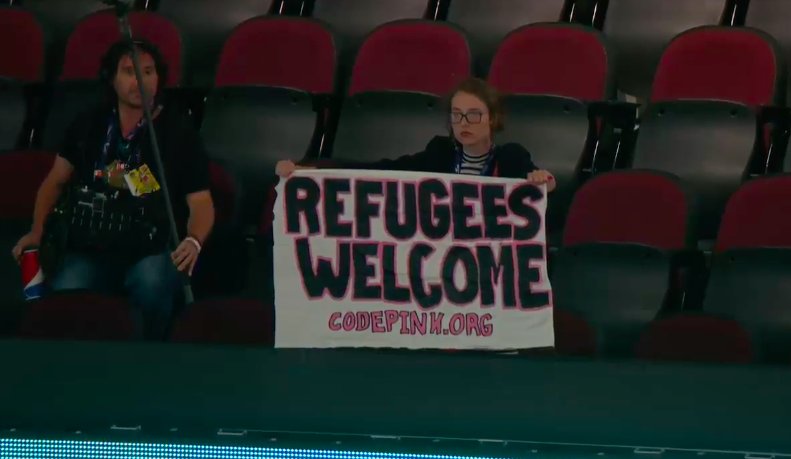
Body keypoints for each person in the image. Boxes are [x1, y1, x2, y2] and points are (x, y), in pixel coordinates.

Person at [10, 40, 215, 340]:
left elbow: (201, 203)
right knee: (67, 287)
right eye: (130, 72)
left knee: (152, 282)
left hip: (150, 248)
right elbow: (55, 181)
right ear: (111, 78)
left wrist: (194, 240)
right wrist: (37, 230)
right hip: (91, 245)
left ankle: (150, 352)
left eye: (148, 72)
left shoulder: (179, 131)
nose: (140, 81)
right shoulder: (89, 123)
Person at [275, 77, 556, 189]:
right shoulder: (439, 153)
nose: (464, 123)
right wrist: (310, 170)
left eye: (473, 115)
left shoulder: (511, 157)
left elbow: (543, 184)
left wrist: (543, 180)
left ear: (492, 119)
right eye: (456, 115)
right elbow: (381, 170)